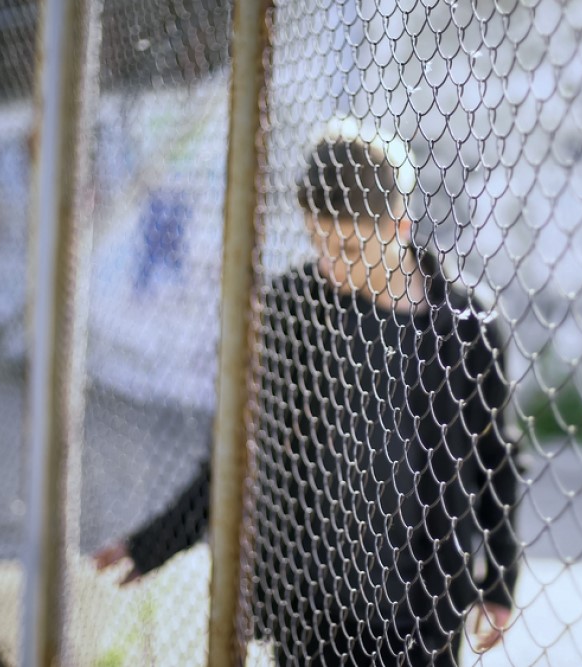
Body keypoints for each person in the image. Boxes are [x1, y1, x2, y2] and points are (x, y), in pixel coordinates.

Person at [95, 119, 520, 666]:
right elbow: (243, 449)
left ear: (400, 226)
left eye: (346, 246)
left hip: (422, 606)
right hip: (312, 607)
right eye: (318, 242)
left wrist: (499, 581)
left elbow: (496, 458)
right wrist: (155, 542)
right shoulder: (294, 307)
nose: (329, 265)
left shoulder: (466, 326)